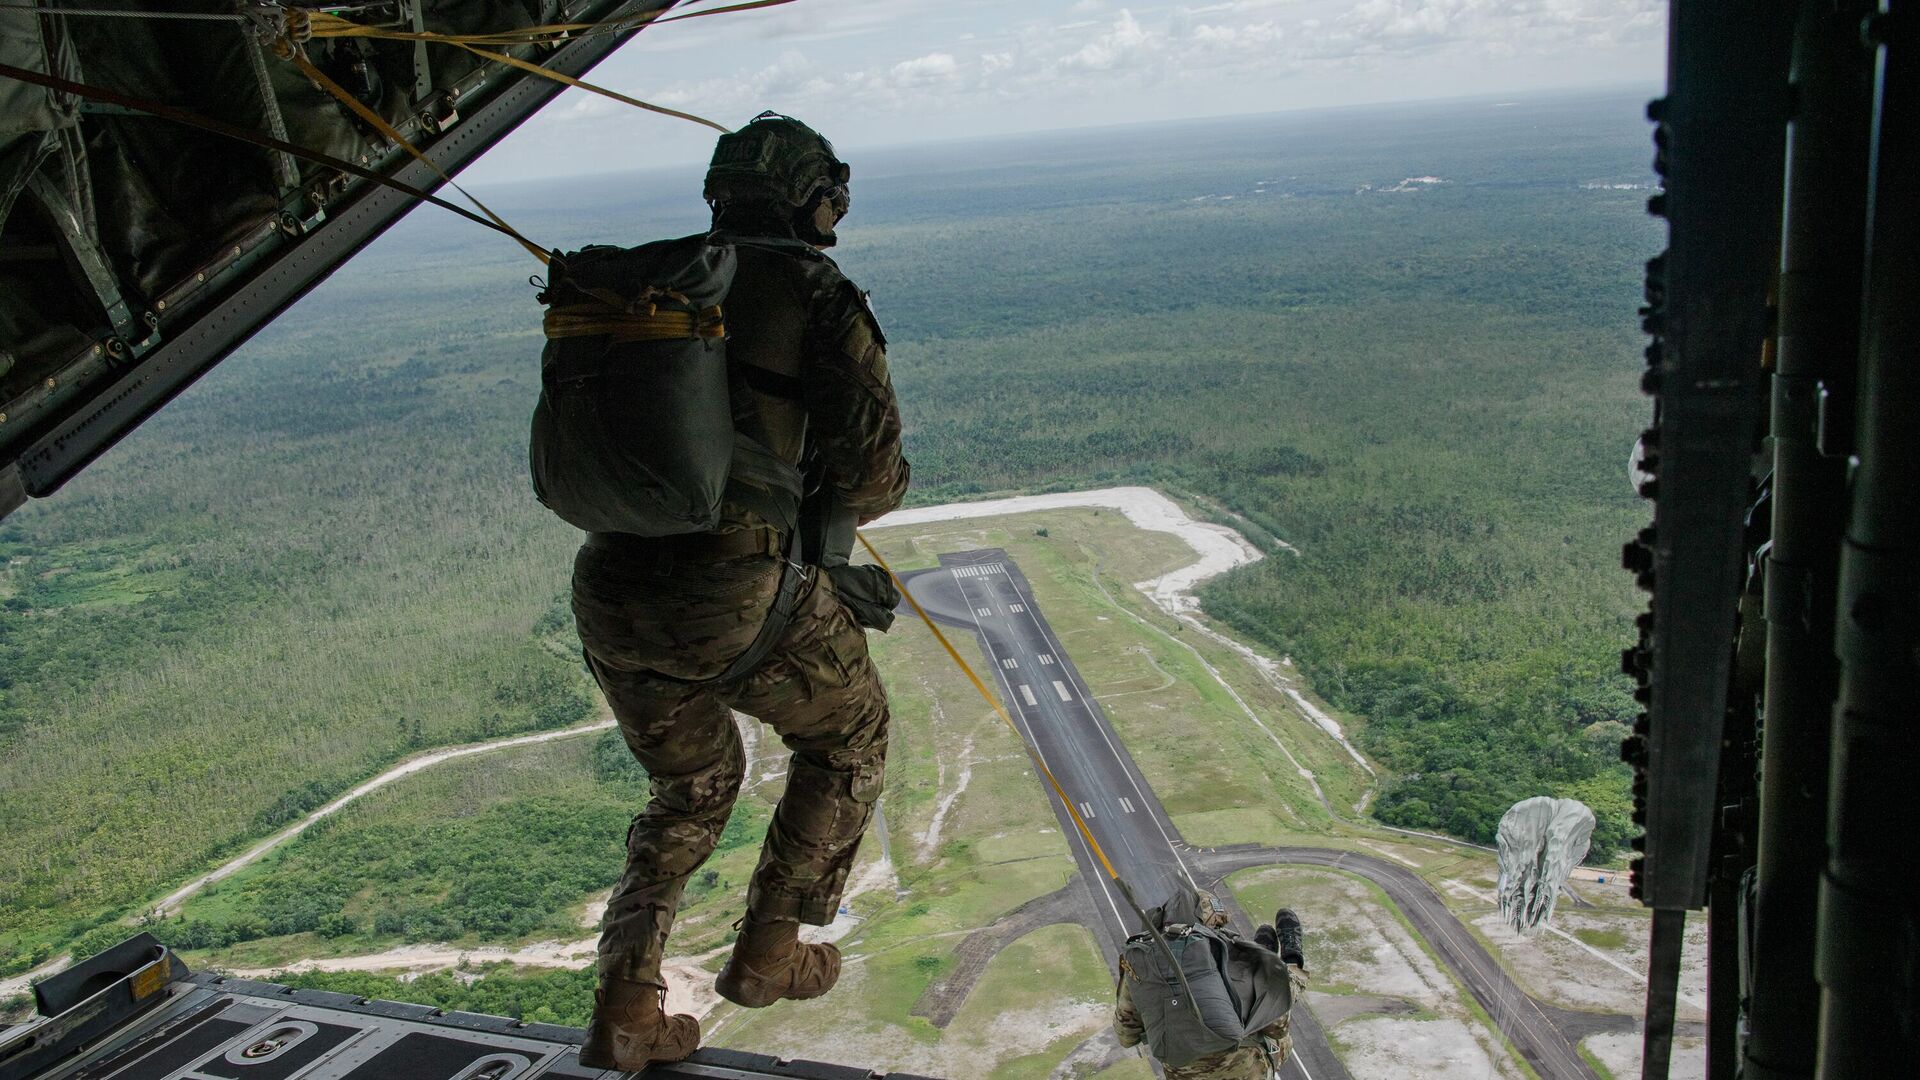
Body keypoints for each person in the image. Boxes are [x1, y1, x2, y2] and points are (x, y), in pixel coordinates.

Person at [571, 113, 910, 1072]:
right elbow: (876, 477)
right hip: (734, 590)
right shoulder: (816, 291)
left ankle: (626, 1008)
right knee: (849, 734)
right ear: (817, 200)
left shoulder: (655, 285)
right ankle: (770, 949)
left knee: (689, 788)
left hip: (608, 586)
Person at [1114, 898, 1311, 1079]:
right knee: (1282, 1036)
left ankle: (1267, 964)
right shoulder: (1231, 958)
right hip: (1247, 1071)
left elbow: (1126, 1036)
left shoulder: (1140, 966)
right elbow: (1277, 1027)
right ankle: (1290, 962)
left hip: (1183, 1074)